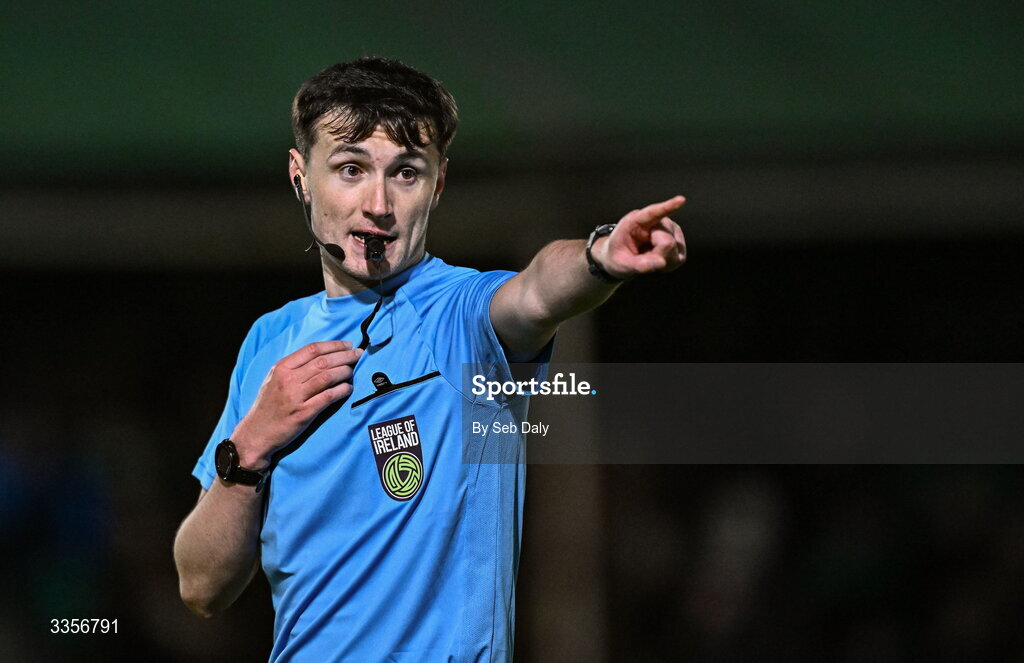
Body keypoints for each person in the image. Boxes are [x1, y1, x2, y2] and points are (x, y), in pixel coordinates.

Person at [173, 56, 686, 662]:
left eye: (407, 174)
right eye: (350, 169)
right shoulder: (270, 340)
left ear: (438, 184)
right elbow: (201, 588)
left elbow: (537, 290)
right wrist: (250, 448)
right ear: (300, 177)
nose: (379, 204)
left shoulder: (460, 317)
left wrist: (600, 257)